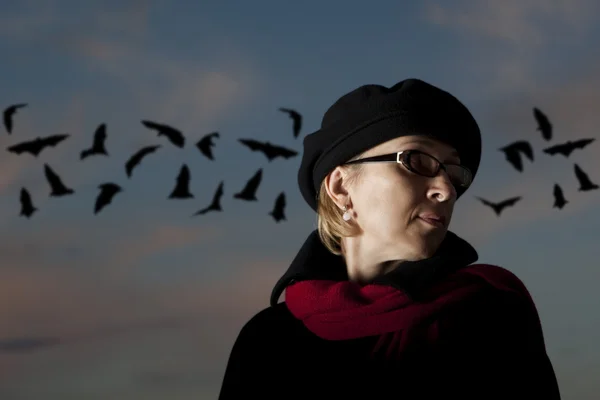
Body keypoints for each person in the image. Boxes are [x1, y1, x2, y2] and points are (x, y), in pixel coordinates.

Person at [218, 78, 561, 399]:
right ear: (340, 186)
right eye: (416, 160)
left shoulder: (490, 318)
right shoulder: (267, 341)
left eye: (453, 173)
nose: (446, 189)